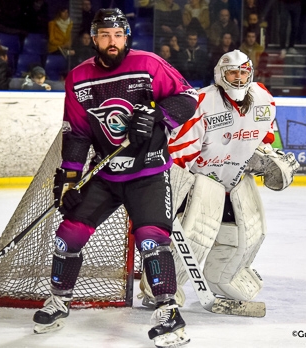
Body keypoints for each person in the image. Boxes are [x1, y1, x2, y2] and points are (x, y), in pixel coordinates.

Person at [31, 8, 197, 348]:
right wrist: (69, 180)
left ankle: (167, 310)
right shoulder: (78, 77)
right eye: (105, 35)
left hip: (148, 172)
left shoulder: (149, 64)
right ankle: (59, 301)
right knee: (68, 235)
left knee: (152, 240)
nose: (112, 41)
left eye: (118, 35)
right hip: (105, 174)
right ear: (94, 38)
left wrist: (157, 116)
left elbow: (187, 98)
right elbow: (77, 133)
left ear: (126, 37)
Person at [160, 49, 298, 311]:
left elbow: (265, 141)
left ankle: (223, 278)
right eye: (232, 72)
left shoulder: (263, 98)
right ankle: (164, 287)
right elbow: (178, 154)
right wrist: (172, 194)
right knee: (195, 237)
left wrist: (268, 160)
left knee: (250, 233)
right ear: (219, 75)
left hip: (236, 178)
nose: (238, 78)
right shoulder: (202, 101)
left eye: (243, 72)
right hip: (202, 179)